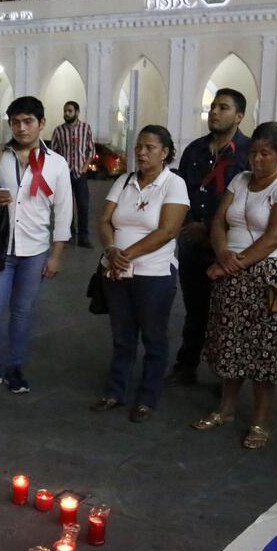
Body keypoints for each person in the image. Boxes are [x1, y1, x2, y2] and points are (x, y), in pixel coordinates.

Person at [193, 122, 277, 449]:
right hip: (231, 270)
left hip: (269, 275)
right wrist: (223, 253)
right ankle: (226, 409)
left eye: (265, 154)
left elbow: (274, 237)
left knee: (264, 349)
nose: (256, 161)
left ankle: (260, 420)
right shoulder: (240, 180)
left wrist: (233, 264)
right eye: (253, 153)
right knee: (230, 342)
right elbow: (218, 221)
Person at [0, 96, 72, 394]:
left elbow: (63, 211)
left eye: (28, 122)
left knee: (22, 312)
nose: (22, 128)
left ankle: (15, 368)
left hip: (35, 251)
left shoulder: (56, 164)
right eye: (15, 122)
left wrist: (57, 255)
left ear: (41, 124)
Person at [90, 125, 189, 420]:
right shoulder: (124, 181)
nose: (141, 153)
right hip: (117, 273)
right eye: (138, 147)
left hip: (154, 274)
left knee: (154, 337)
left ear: (165, 152)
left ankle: (147, 396)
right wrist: (111, 251)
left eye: (149, 147)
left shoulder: (174, 185)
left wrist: (127, 255)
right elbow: (105, 220)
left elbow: (168, 230)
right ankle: (115, 391)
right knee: (122, 336)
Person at [167, 88, 251, 386]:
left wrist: (215, 231)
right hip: (192, 242)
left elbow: (251, 199)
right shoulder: (195, 150)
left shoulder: (248, 153)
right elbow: (183, 193)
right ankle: (186, 363)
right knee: (195, 308)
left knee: (229, 313)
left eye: (223, 107)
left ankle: (225, 374)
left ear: (239, 116)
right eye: (213, 106)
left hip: (230, 245)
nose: (214, 112)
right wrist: (190, 225)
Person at [49, 101, 96, 248]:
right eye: (65, 111)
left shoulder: (86, 128)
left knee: (83, 206)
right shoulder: (58, 131)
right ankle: (69, 233)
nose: (66, 114)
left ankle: (84, 237)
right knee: (66, 206)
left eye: (69, 111)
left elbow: (91, 150)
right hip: (64, 174)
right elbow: (53, 151)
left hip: (80, 174)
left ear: (77, 112)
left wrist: (84, 167)